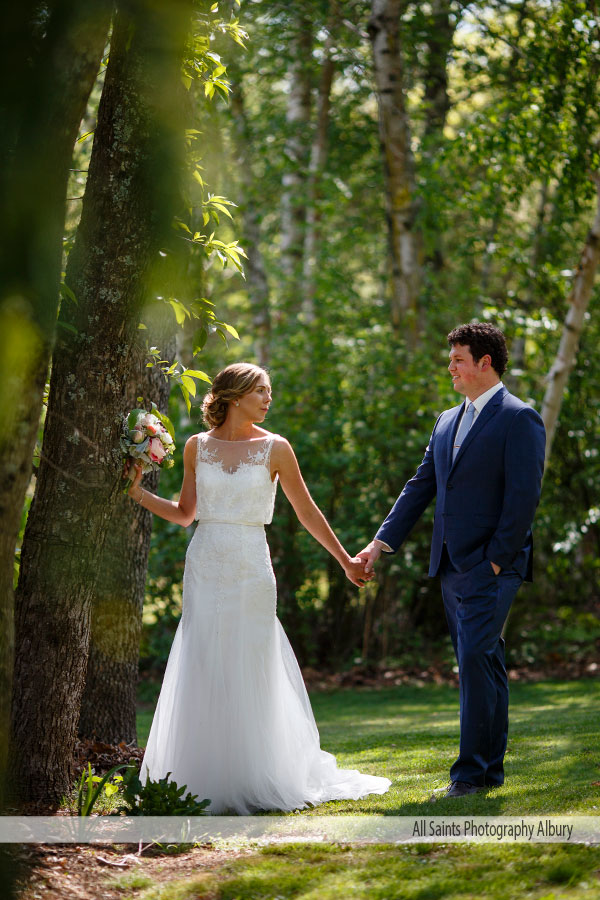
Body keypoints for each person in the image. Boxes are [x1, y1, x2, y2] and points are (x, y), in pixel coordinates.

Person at [126, 362, 391, 814]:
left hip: (251, 562)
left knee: (251, 657)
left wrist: (346, 560)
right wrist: (138, 494)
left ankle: (258, 772)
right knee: (204, 656)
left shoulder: (276, 448)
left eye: (269, 392)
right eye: (261, 392)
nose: (269, 400)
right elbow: (186, 513)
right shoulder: (195, 447)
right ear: (233, 395)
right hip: (206, 561)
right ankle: (200, 775)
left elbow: (306, 512)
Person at [358, 323, 546, 799]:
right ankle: (489, 773)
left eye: (458, 359)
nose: (451, 368)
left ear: (485, 363)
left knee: (475, 658)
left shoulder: (519, 417)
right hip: (450, 564)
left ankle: (468, 775)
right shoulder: (446, 419)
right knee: (483, 663)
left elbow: (523, 500)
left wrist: (497, 563)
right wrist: (379, 544)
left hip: (492, 565)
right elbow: (421, 486)